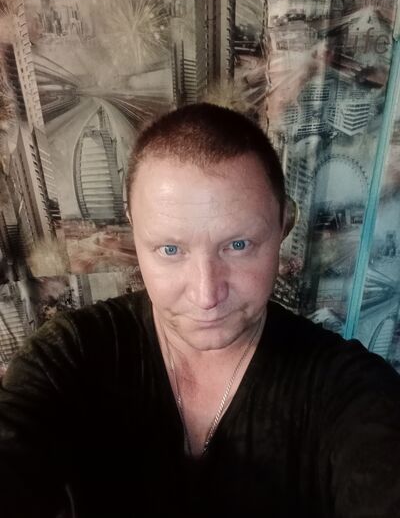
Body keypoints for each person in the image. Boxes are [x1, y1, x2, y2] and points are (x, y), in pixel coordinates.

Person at [0, 103, 399, 518]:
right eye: (170, 250)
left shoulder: (348, 389)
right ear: (134, 228)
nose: (207, 294)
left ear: (283, 224)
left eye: (238, 245)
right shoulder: (70, 355)